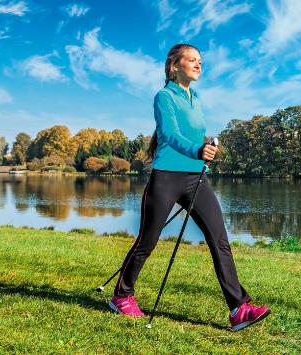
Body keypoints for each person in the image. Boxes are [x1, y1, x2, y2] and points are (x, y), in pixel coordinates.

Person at [109, 43, 270, 332]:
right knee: (147, 241)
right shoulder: (164, 96)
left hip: (196, 178)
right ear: (174, 66)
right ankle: (121, 296)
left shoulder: (195, 98)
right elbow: (169, 134)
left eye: (200, 61)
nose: (198, 65)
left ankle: (238, 308)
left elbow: (194, 135)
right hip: (166, 178)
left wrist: (206, 147)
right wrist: (197, 149)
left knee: (219, 239)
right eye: (192, 60)